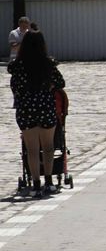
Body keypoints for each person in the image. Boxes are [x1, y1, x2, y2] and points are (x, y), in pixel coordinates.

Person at [9, 30, 66, 199]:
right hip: (45, 107)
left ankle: (35, 184)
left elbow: (15, 87)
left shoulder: (18, 66)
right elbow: (60, 83)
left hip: (26, 109)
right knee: (48, 147)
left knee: (32, 150)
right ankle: (48, 181)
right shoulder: (48, 64)